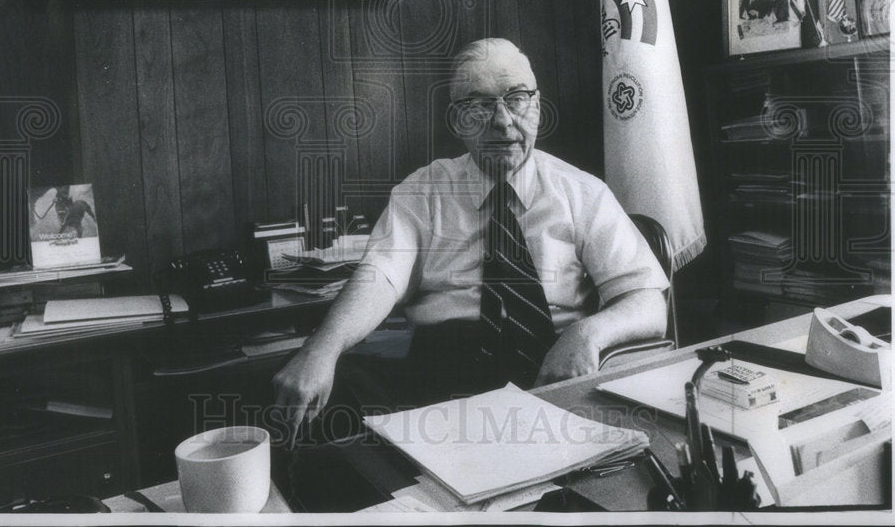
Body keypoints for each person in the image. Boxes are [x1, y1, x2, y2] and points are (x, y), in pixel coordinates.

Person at [273, 38, 668, 445]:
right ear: (456, 119)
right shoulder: (421, 192)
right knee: (311, 385)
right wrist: (322, 348)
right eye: (479, 105)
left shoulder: (583, 193)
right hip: (442, 378)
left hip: (551, 368)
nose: (501, 121)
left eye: (516, 98)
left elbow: (649, 303)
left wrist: (588, 335)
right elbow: (379, 279)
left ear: (536, 105)